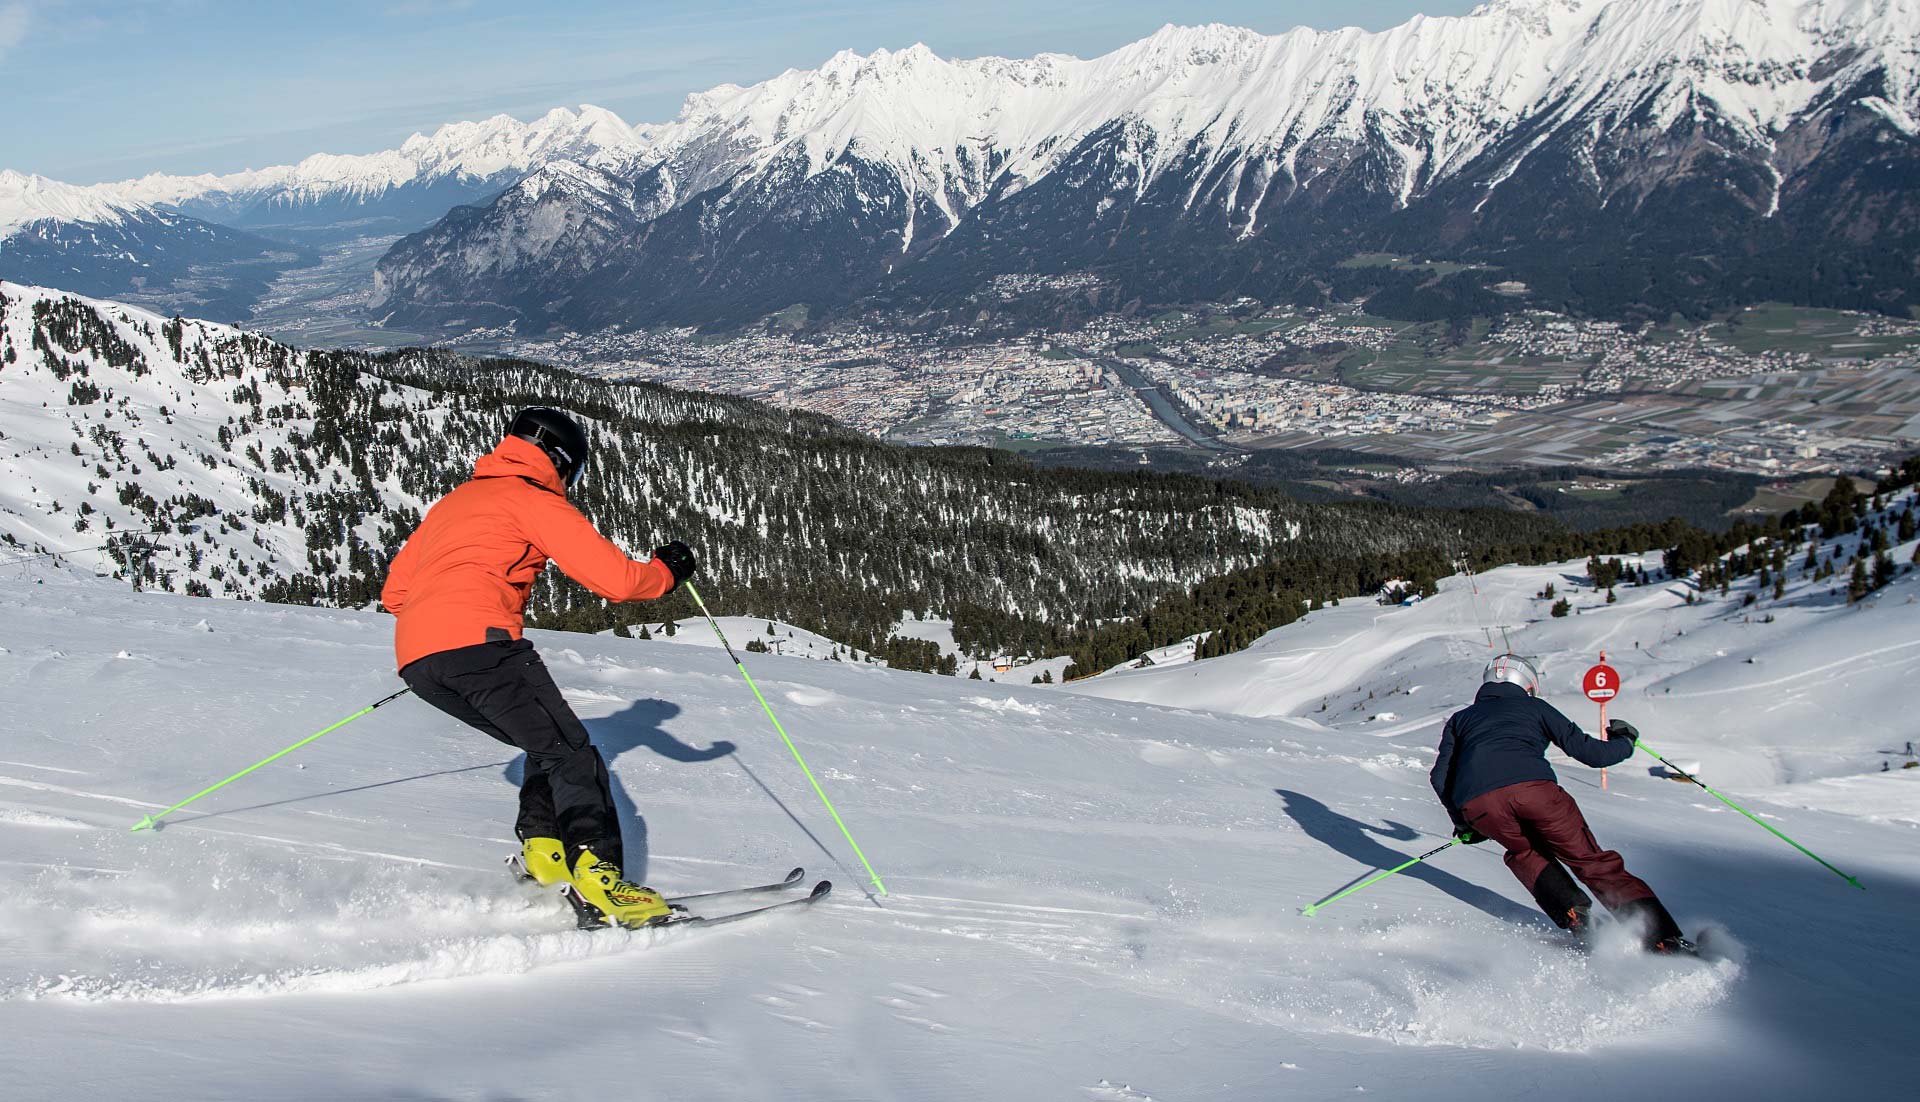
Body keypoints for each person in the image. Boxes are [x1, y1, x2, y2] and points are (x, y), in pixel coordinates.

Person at [381, 407, 698, 927]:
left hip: (418, 661)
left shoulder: (454, 503)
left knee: (547, 745)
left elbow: (394, 594)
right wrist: (667, 572)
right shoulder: (532, 499)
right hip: (483, 647)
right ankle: (601, 881)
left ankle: (546, 859)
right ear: (559, 460)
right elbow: (617, 581)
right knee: (573, 754)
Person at [1430, 653, 1690, 952]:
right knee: (1589, 861)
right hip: (1534, 792)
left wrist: (1463, 821)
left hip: (1479, 807)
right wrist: (1625, 742)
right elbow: (1591, 754)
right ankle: (1662, 939)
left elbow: (1440, 777)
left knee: (1524, 851)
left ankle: (1575, 916)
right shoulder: (1534, 707)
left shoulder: (1460, 719)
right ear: (1528, 686)